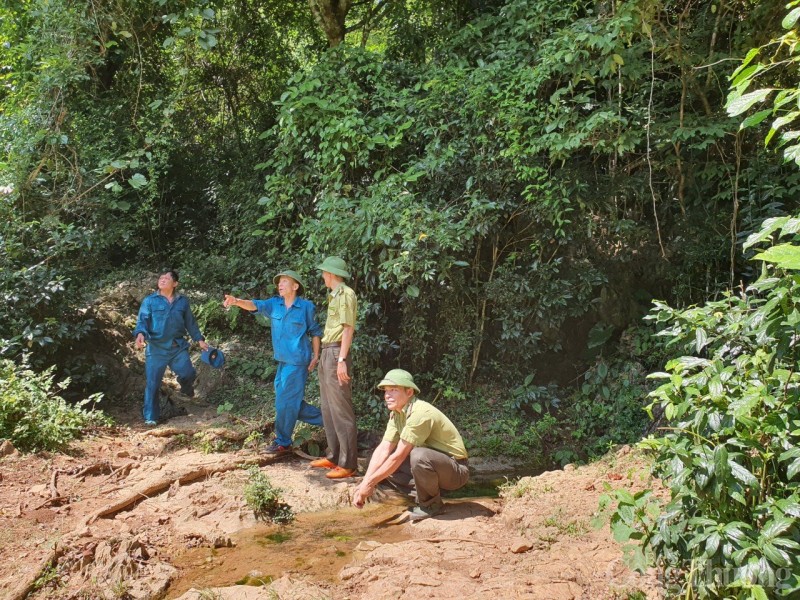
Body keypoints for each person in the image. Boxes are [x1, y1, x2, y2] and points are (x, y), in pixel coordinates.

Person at [223, 270, 323, 455]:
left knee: (285, 402)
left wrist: (316, 355)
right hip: (282, 362)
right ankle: (329, 420)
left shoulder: (306, 307)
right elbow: (254, 305)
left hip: (297, 362)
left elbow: (315, 331)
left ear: (295, 286)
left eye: (285, 281)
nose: (280, 284)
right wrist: (236, 301)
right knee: (287, 402)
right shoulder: (274, 304)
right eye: (279, 282)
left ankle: (283, 442)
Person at [352, 369, 470, 521]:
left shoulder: (420, 413)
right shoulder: (397, 413)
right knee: (376, 462)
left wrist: (370, 483)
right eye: (386, 391)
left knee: (418, 455)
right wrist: (366, 482)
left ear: (409, 392)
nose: (387, 395)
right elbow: (384, 449)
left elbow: (399, 455)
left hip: (456, 471)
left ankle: (431, 506)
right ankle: (426, 493)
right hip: (435, 467)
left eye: (393, 390)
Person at [133, 270, 209, 425]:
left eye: (167, 278)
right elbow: (142, 321)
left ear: (175, 284)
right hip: (156, 349)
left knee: (188, 374)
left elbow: (190, 323)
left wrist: (199, 339)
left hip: (177, 348)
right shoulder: (150, 301)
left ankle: (186, 389)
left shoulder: (182, 302)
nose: (162, 280)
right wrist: (140, 334)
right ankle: (150, 417)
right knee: (153, 384)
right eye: (161, 278)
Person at [310, 256, 359, 479]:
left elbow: (348, 329)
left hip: (336, 352)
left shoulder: (346, 294)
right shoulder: (334, 295)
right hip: (328, 352)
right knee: (328, 408)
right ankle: (334, 457)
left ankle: (348, 464)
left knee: (341, 409)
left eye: (324, 273)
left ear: (331, 274)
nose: (322, 277)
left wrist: (341, 360)